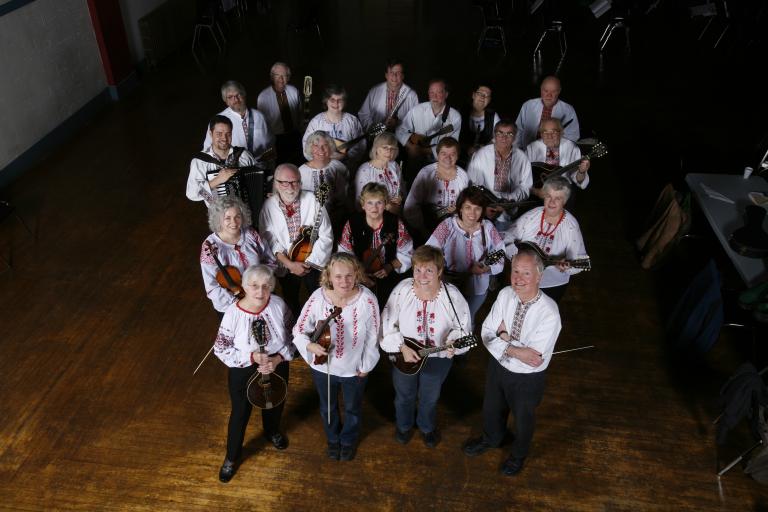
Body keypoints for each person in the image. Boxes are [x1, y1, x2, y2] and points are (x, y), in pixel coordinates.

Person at [462, 248, 561, 477]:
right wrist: (514, 347)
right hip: (498, 367)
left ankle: (518, 455)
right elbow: (487, 333)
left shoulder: (549, 313)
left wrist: (504, 336)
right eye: (515, 271)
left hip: (527, 378)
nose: (518, 278)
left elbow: (532, 358)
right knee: (491, 408)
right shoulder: (505, 294)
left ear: (539, 276)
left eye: (526, 273)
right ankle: (492, 439)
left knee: (523, 420)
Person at [380, 245, 472, 448]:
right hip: (405, 355)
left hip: (437, 359)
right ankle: (404, 426)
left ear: (439, 271)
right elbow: (387, 323)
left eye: (429, 270)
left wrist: (453, 341)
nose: (422, 276)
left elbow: (462, 327)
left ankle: (426, 426)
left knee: (429, 397)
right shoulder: (403, 290)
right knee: (404, 395)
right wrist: (401, 347)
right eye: (417, 269)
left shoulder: (452, 296)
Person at [292, 253, 381, 461]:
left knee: (353, 408)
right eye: (338, 276)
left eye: (349, 276)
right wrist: (309, 345)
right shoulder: (318, 297)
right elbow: (299, 330)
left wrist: (366, 365)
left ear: (357, 274)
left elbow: (374, 335)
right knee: (327, 407)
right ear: (329, 276)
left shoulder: (367, 299)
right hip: (324, 368)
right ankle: (333, 439)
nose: (344, 281)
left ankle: (348, 440)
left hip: (354, 369)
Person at [214, 264, 295, 483]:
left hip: (276, 362)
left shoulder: (278, 304)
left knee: (274, 402)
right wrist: (251, 358)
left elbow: (293, 336)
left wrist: (278, 359)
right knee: (240, 412)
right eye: (254, 286)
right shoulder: (233, 313)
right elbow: (221, 349)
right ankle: (232, 457)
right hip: (244, 367)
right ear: (244, 286)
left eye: (266, 286)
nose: (260, 292)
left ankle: (272, 431)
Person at [258, 163, 333, 314]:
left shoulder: (313, 200)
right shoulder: (268, 206)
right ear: (276, 184)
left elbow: (326, 235)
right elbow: (268, 240)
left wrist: (309, 262)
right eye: (284, 183)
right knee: (291, 300)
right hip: (286, 264)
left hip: (312, 262)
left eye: (295, 182)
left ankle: (320, 323)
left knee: (319, 298)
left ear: (300, 182)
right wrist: (290, 264)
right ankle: (296, 326)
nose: (290, 187)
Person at [503, 176, 587, 303]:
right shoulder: (532, 215)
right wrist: (516, 256)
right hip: (522, 280)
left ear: (564, 201)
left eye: (557, 198)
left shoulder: (571, 226)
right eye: (548, 196)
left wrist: (567, 266)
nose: (552, 202)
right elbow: (507, 236)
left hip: (551, 285)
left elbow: (580, 260)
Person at [425, 187, 505, 322]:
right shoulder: (447, 226)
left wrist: (485, 266)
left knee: (468, 320)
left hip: (478, 287)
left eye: (477, 208)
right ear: (460, 208)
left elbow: (500, 252)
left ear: (483, 210)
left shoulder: (488, 227)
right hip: (450, 284)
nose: (472, 213)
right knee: (447, 320)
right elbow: (428, 252)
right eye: (468, 207)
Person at [338, 183, 413, 306]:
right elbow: (344, 255)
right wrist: (359, 274)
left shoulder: (396, 223)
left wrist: (389, 267)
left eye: (379, 202)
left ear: (385, 204)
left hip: (389, 276)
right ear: (363, 205)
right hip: (358, 276)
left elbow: (407, 253)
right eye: (370, 203)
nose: (374, 207)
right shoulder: (352, 223)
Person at [200, 196, 275, 318]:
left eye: (237, 216)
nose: (234, 222)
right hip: (232, 307)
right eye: (227, 218)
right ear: (218, 219)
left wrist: (262, 283)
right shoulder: (209, 247)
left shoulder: (251, 234)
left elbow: (269, 260)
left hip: (261, 295)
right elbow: (212, 287)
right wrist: (241, 302)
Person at [467, 120, 532, 231]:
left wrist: (508, 200)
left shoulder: (522, 158)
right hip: (482, 210)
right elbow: (472, 184)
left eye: (509, 134)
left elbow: (526, 187)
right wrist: (485, 206)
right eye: (500, 133)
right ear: (494, 135)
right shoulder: (481, 154)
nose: (504, 137)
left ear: (515, 137)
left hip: (507, 212)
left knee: (503, 240)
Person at [402, 137, 469, 242]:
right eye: (443, 153)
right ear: (437, 155)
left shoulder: (463, 175)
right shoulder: (426, 173)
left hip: (454, 227)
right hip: (427, 225)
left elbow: (465, 205)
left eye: (452, 154)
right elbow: (411, 205)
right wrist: (423, 230)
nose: (448, 158)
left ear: (457, 156)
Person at [395, 79, 462, 178]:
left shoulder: (455, 117)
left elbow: (452, 145)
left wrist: (422, 151)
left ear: (446, 94)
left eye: (439, 92)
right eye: (431, 92)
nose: (434, 96)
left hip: (440, 163)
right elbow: (400, 130)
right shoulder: (417, 110)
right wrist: (410, 146)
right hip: (415, 160)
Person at [187, 115, 256, 207]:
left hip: (247, 209)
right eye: (219, 134)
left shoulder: (244, 155)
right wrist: (217, 180)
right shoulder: (200, 162)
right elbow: (192, 193)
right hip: (218, 212)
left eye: (228, 134)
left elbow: (258, 179)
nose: (224, 138)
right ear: (211, 134)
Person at [203, 80, 274, 158]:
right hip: (233, 164)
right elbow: (207, 150)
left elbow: (270, 142)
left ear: (244, 95)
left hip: (260, 163)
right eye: (230, 97)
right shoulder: (218, 121)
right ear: (225, 101)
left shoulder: (259, 116)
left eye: (238, 95)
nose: (236, 100)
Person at [302, 85, 366, 169]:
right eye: (332, 100)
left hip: (347, 168)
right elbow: (306, 145)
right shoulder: (316, 122)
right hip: (322, 168)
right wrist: (323, 159)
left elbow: (360, 145)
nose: (336, 103)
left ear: (344, 102)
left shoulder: (352, 121)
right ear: (326, 101)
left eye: (340, 100)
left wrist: (345, 156)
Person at [525, 118, 590, 200]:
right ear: (541, 134)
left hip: (564, 192)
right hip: (538, 191)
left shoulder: (572, 148)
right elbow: (521, 178)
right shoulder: (531, 148)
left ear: (561, 133)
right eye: (545, 132)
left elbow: (579, 181)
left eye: (554, 132)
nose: (549, 136)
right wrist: (536, 192)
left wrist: (582, 172)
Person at [298, 131, 351, 228]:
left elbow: (345, 192)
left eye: (325, 145)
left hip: (336, 218)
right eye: (316, 145)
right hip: (309, 221)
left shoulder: (338, 166)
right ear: (310, 148)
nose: (321, 149)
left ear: (330, 147)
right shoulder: (301, 171)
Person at [515, 76, 580, 149]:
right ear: (541, 89)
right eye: (546, 91)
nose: (549, 95)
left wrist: (557, 150)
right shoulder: (528, 105)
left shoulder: (568, 110)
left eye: (553, 91)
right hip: (527, 150)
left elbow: (573, 136)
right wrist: (518, 151)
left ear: (559, 91)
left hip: (555, 152)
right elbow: (518, 130)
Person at [256, 62, 303, 164]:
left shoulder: (294, 91)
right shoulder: (263, 97)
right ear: (272, 77)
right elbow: (262, 124)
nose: (281, 79)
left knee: (298, 165)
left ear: (288, 77)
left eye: (284, 75)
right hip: (276, 139)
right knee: (281, 167)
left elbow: (299, 113)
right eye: (277, 75)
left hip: (295, 135)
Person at [357, 59, 419, 132]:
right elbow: (363, 115)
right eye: (391, 72)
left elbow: (416, 121)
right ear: (386, 75)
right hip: (378, 136)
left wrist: (398, 123)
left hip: (401, 138)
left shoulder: (412, 95)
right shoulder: (374, 91)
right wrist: (376, 129)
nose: (394, 76)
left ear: (403, 76)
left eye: (398, 73)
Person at [354, 132, 405, 215]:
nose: (389, 151)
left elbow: (401, 189)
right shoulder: (365, 171)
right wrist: (386, 207)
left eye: (392, 148)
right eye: (385, 147)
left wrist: (400, 198)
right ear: (376, 149)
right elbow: (360, 202)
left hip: (396, 213)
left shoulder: (394, 165)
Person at [460, 85, 501, 161]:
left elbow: (499, 137)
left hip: (484, 159)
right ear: (473, 95)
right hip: (460, 158)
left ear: (489, 100)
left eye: (487, 95)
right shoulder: (460, 113)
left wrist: (484, 148)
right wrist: (467, 148)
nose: (483, 97)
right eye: (480, 93)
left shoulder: (493, 116)